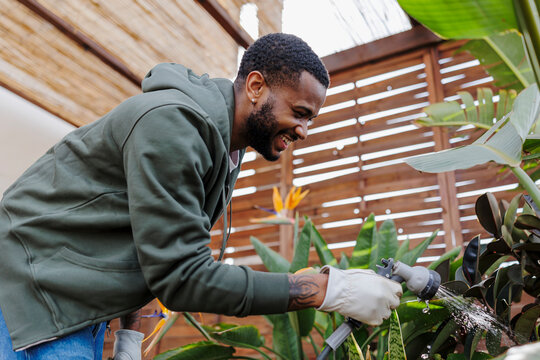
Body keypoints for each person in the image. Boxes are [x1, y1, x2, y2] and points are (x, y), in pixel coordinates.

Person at [0, 33, 402, 359]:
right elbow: (183, 275)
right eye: (299, 112)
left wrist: (129, 335)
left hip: (70, 299)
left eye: (310, 119)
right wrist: (320, 290)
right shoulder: (173, 125)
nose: (303, 131)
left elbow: (140, 239)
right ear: (256, 86)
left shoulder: (227, 148)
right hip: (27, 286)